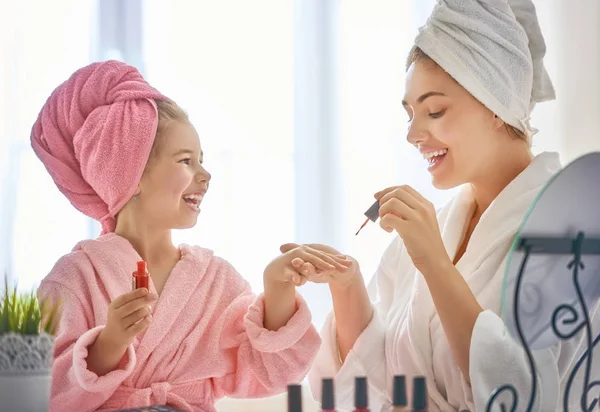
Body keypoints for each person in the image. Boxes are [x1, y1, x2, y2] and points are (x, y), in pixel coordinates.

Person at [283, 1, 597, 411]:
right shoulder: (435, 229)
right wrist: (346, 287)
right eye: (410, 114)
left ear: (496, 104)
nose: (413, 133)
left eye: (434, 111)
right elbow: (384, 383)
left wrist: (435, 264)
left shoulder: (570, 231)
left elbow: (527, 396)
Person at [32, 60, 347, 412]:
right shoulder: (74, 278)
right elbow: (41, 393)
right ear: (130, 175)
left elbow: (269, 373)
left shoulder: (214, 280)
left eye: (201, 160)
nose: (206, 174)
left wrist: (278, 289)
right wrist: (107, 347)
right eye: (186, 161)